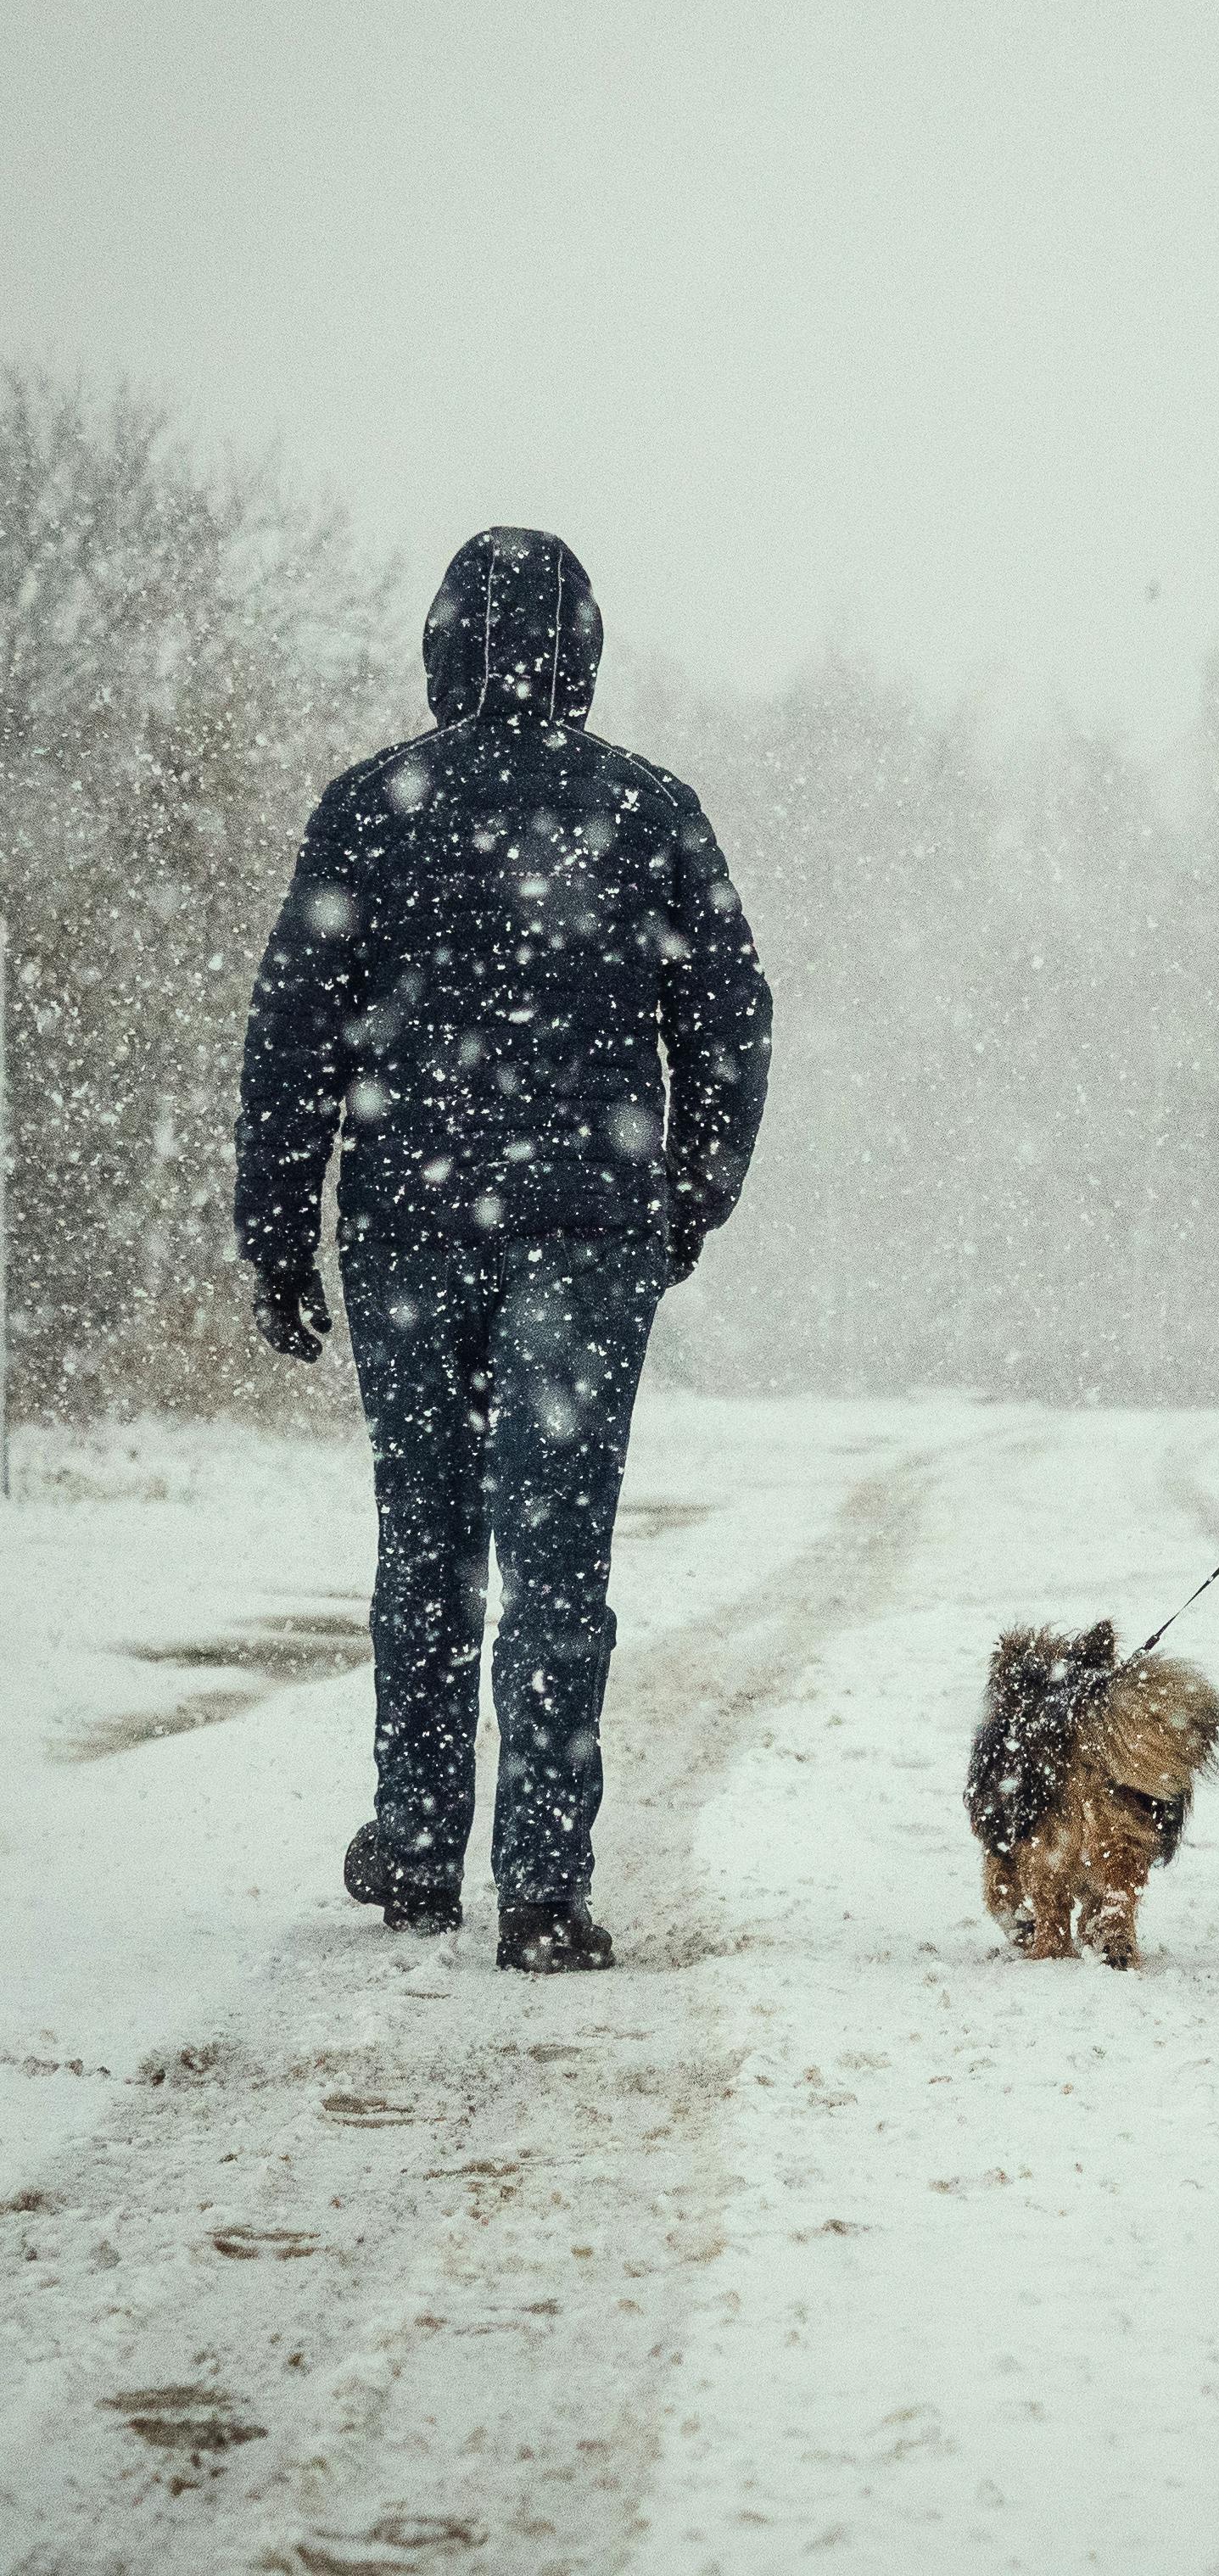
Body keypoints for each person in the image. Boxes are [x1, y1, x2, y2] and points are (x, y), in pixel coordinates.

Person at [235, 528, 771, 1972]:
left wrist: (278, 1227)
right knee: (558, 1559)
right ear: (583, 653)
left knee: (426, 1542)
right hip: (588, 1238)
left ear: (441, 645)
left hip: (405, 1231)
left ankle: (417, 1845)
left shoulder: (372, 808)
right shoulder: (649, 811)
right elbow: (731, 1016)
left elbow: (291, 1030)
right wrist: (690, 1195)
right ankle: (541, 1885)